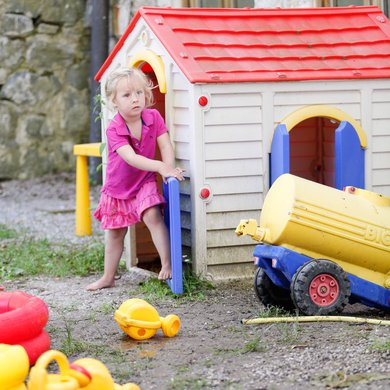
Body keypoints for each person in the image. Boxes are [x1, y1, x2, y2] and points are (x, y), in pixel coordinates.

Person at [86, 67, 184, 291]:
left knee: (152, 216)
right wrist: (161, 166)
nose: (135, 99)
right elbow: (130, 158)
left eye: (139, 93)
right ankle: (108, 277)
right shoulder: (115, 129)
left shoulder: (153, 117)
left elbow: (165, 144)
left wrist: (168, 168)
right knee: (116, 233)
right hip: (118, 188)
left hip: (144, 181)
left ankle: (167, 264)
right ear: (114, 101)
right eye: (127, 95)